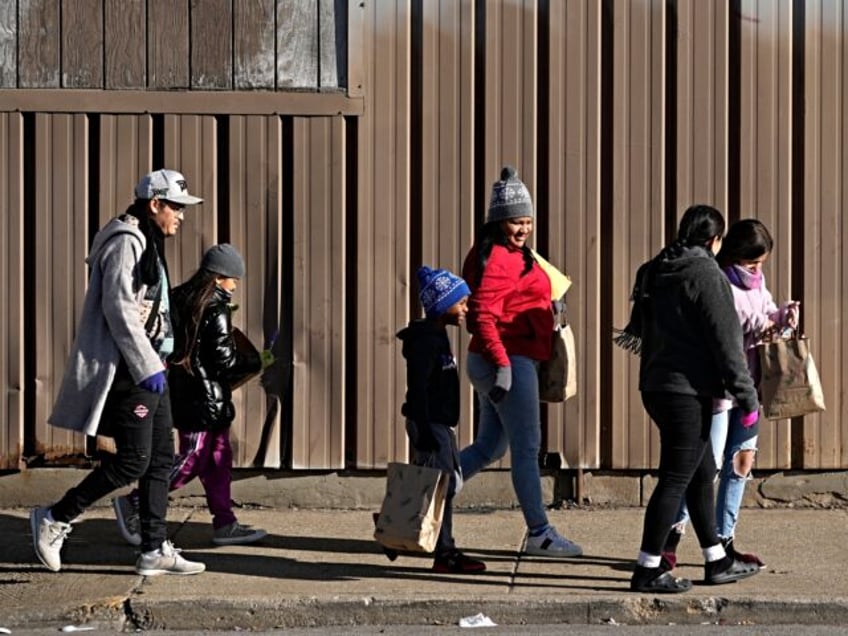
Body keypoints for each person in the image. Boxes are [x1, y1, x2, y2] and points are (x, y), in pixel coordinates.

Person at [31, 169, 206, 576]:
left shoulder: (147, 241)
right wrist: (146, 367)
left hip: (152, 367)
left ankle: (153, 548)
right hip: (133, 371)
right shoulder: (126, 242)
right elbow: (119, 308)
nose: (181, 215)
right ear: (155, 204)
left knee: (161, 459)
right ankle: (55, 516)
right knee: (134, 461)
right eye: (176, 207)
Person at [616, 204, 763, 593]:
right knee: (675, 479)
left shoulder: (654, 269)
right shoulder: (706, 274)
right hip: (687, 392)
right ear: (715, 240)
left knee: (702, 472)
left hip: (655, 386)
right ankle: (648, 568)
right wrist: (748, 398)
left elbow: (640, 330)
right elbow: (727, 343)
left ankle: (717, 559)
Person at [113, 244, 275, 547]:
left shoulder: (178, 298)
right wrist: (255, 361)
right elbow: (224, 360)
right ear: (218, 278)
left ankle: (225, 523)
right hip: (204, 400)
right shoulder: (215, 308)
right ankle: (133, 501)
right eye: (233, 279)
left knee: (218, 461)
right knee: (193, 458)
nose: (235, 285)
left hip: (191, 394)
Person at [661, 219, 799, 571]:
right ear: (733, 255)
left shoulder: (756, 282)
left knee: (742, 463)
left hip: (750, 388)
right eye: (751, 264)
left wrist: (782, 316)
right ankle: (670, 537)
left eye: (761, 264)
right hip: (720, 392)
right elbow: (727, 333)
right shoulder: (718, 283)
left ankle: (725, 541)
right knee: (705, 467)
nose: (757, 271)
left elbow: (764, 310)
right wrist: (765, 324)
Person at [459, 166, 583, 558]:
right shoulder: (498, 258)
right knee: (527, 448)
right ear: (499, 221)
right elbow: (482, 313)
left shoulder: (508, 253)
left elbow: (504, 302)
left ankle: (424, 497)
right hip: (508, 361)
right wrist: (505, 366)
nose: (524, 228)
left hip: (498, 360)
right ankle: (540, 533)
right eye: (517, 221)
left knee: (488, 447)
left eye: (528, 221)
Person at [395, 265, 486, 573]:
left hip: (439, 423)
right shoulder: (426, 342)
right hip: (430, 423)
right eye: (461, 303)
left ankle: (395, 526)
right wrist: (424, 429)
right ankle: (444, 553)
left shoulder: (438, 336)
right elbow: (418, 387)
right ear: (441, 304)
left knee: (441, 485)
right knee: (441, 486)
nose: (466, 308)